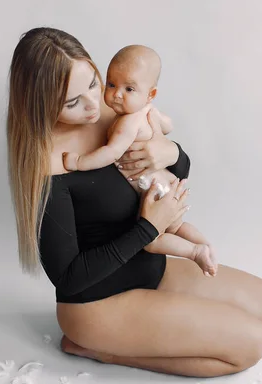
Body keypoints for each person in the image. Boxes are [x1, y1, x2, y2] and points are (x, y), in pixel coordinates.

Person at [6, 27, 262, 378]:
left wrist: (171, 151)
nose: (94, 105)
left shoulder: (113, 113)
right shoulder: (48, 165)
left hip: (152, 269)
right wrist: (149, 227)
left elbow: (177, 170)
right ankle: (101, 351)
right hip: (98, 304)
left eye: (94, 83)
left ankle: (145, 322)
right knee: (251, 345)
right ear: (40, 104)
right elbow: (68, 279)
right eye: (72, 102)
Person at [62, 44, 218, 278]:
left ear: (150, 93)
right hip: (168, 184)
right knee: (176, 226)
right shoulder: (149, 110)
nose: (116, 94)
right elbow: (169, 125)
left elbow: (111, 153)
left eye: (129, 89)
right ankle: (207, 246)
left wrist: (79, 162)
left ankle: (195, 251)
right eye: (111, 84)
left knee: (151, 241)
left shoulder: (127, 123)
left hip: (155, 191)